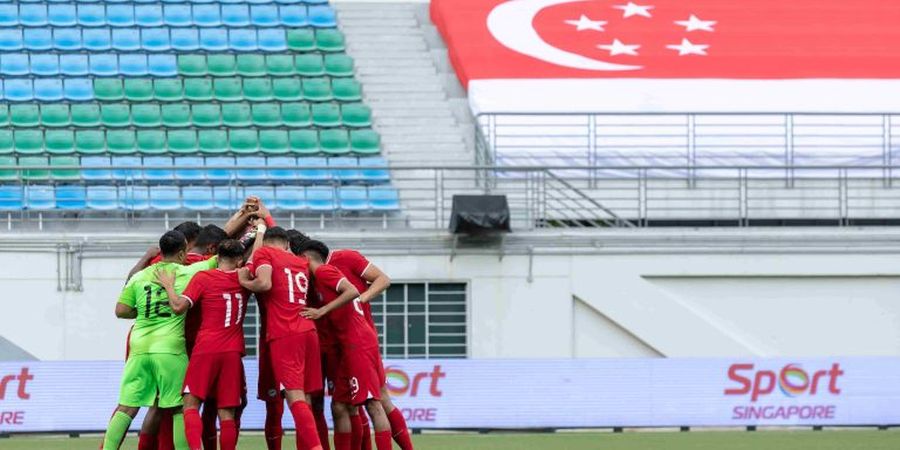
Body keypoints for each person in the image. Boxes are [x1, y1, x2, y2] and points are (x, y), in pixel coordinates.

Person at [292, 235, 412, 450]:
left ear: (304, 257)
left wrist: (326, 310)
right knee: (340, 406)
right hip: (345, 344)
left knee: (374, 403)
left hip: (357, 342)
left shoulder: (326, 270)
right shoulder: (316, 277)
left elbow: (356, 290)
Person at [102, 231, 218, 450]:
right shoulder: (188, 272)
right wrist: (255, 230)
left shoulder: (140, 276)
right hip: (169, 349)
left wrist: (147, 312)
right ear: (183, 252)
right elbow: (221, 258)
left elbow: (121, 310)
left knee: (126, 407)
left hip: (139, 348)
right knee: (179, 408)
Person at [155, 239, 250, 450]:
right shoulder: (244, 278)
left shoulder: (204, 277)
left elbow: (179, 306)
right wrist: (260, 230)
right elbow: (257, 255)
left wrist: (169, 286)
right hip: (233, 351)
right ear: (239, 261)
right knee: (227, 412)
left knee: (190, 405)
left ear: (218, 257)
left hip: (206, 348)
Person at [239, 227, 324, 450]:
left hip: (283, 331)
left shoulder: (264, 254)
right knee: (305, 399)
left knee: (290, 396)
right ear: (287, 244)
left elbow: (264, 283)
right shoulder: (301, 261)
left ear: (265, 243)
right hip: (308, 329)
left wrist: (245, 282)